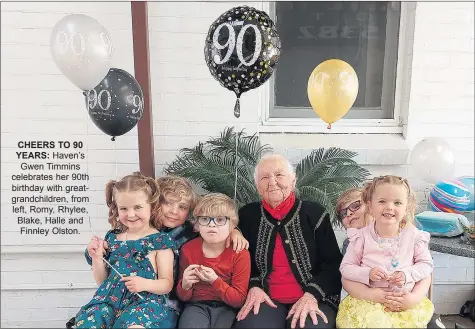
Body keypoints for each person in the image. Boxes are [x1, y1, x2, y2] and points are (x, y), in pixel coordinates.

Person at [234, 154, 343, 329]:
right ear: (257, 187)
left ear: (293, 181)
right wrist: (253, 286)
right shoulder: (247, 215)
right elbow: (237, 259)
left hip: (313, 296)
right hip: (265, 297)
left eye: (279, 175)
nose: (272, 181)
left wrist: (312, 295)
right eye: (264, 177)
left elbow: (332, 265)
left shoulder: (315, 214)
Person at [75, 172, 176, 328]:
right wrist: (96, 257)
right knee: (87, 323)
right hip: (108, 301)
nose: (131, 214)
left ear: (152, 206)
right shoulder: (113, 238)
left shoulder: (160, 242)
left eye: (137, 207)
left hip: (143, 302)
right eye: (124, 208)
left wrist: (144, 284)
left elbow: (167, 284)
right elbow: (103, 282)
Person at [336, 185, 446, 328]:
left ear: (370, 205)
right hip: (368, 303)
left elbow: (425, 273)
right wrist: (372, 293)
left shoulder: (411, 235)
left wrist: (413, 298)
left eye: (355, 206)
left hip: (408, 301)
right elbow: (347, 277)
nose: (349, 214)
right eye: (343, 213)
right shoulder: (354, 242)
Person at [156, 175, 249, 326]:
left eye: (182, 207)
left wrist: (234, 232)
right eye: (168, 203)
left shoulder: (189, 233)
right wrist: (185, 285)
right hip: (165, 300)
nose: (174, 211)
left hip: (180, 303)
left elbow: (216, 224)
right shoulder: (146, 232)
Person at [176, 193, 251, 328]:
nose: (212, 225)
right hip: (196, 306)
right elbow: (183, 298)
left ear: (232, 225)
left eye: (220, 220)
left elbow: (239, 300)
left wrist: (215, 281)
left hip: (227, 307)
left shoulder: (240, 253)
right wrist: (185, 285)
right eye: (205, 219)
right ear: (197, 225)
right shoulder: (188, 250)